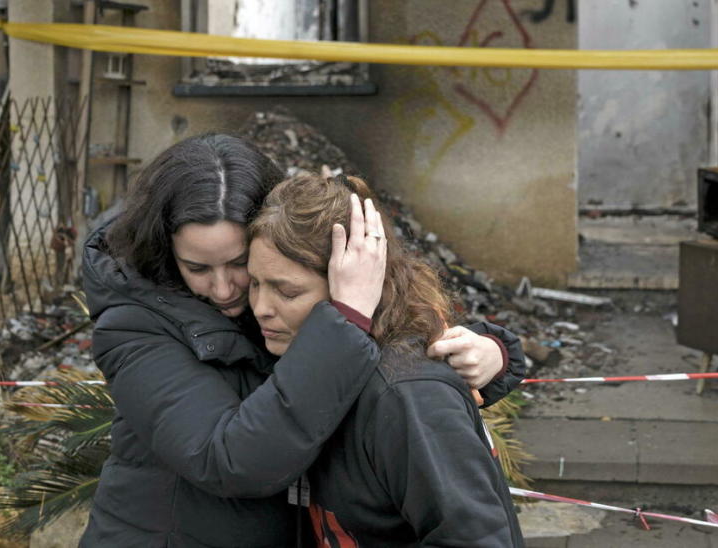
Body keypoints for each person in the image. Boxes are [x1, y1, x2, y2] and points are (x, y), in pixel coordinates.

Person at [81, 133, 523, 547]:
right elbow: (232, 460)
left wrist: (490, 354)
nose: (224, 290)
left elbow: (397, 343)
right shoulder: (134, 325)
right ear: (163, 249)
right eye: (197, 268)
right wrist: (344, 322)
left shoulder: (298, 303)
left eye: (239, 264)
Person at [248, 172, 526, 547]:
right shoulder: (294, 356)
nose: (261, 308)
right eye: (254, 283)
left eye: (287, 291)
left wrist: (497, 350)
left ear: (356, 284)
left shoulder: (405, 396)